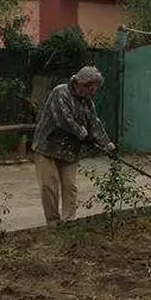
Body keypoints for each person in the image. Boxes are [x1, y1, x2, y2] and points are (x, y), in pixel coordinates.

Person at [32, 66, 115, 223]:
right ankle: (53, 222)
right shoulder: (61, 92)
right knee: (49, 186)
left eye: (94, 91)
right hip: (47, 147)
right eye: (90, 89)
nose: (91, 93)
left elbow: (94, 124)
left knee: (70, 187)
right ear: (80, 83)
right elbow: (64, 120)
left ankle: (69, 221)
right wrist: (84, 136)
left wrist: (107, 145)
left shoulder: (87, 102)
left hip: (69, 150)